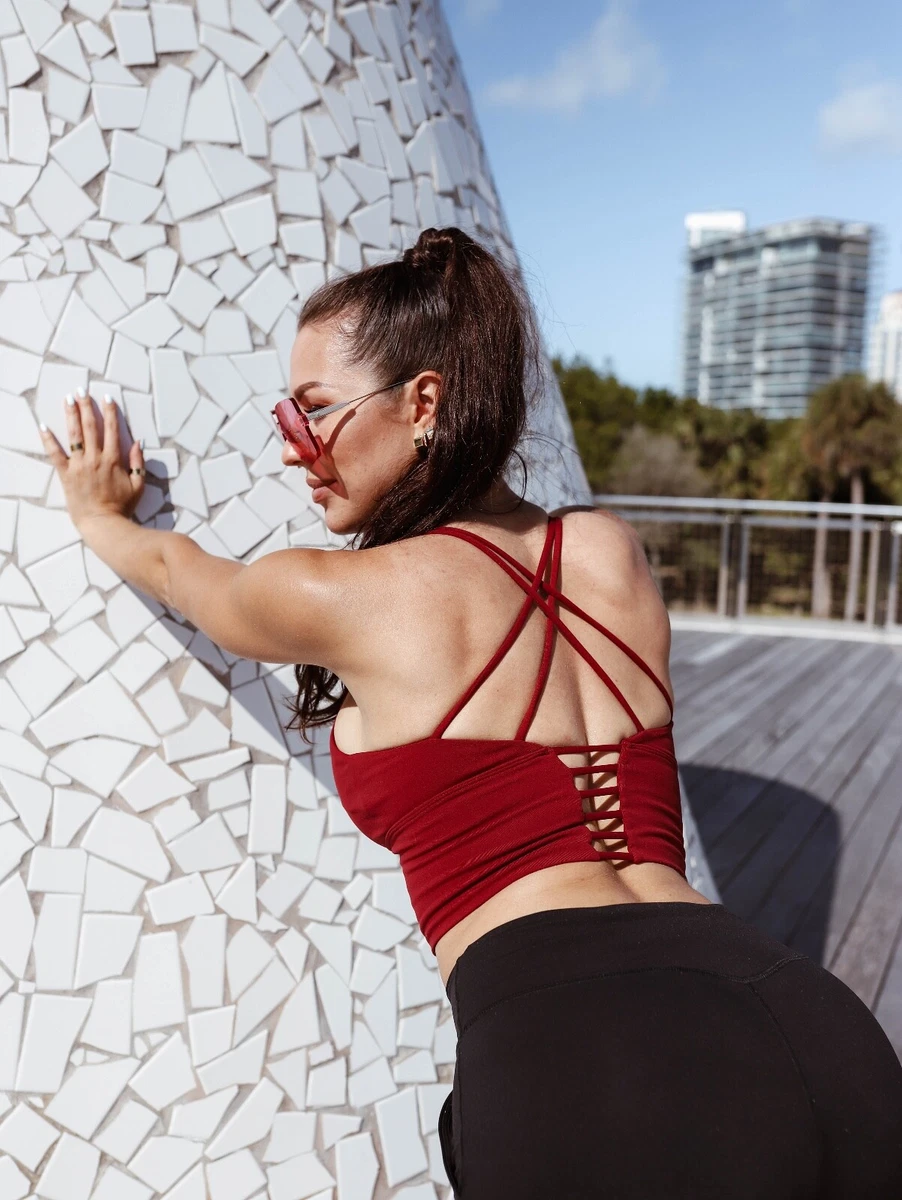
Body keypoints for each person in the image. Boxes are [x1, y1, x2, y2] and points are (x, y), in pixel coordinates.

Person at [43, 226, 902, 1199]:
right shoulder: (606, 551)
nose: (292, 447)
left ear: (422, 402)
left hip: (592, 1062)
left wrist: (99, 516)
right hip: (808, 1026)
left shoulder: (338, 594)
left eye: (312, 410)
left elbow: (173, 568)